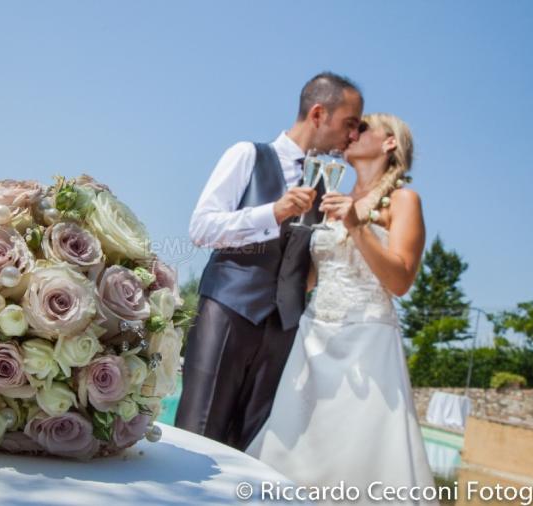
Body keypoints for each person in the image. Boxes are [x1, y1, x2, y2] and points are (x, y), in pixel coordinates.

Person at [245, 113, 438, 504]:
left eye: (363, 128)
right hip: (313, 338)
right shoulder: (334, 197)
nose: (352, 133)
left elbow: (400, 281)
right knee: (294, 450)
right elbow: (313, 277)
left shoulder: (403, 200)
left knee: (358, 456)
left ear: (389, 143)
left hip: (367, 345)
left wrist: (355, 225)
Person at [175, 72, 363, 451]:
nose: (353, 136)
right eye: (349, 124)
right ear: (317, 114)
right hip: (228, 311)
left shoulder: (327, 186)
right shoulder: (247, 154)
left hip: (284, 329)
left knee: (248, 445)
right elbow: (201, 228)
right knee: (198, 430)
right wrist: (271, 214)